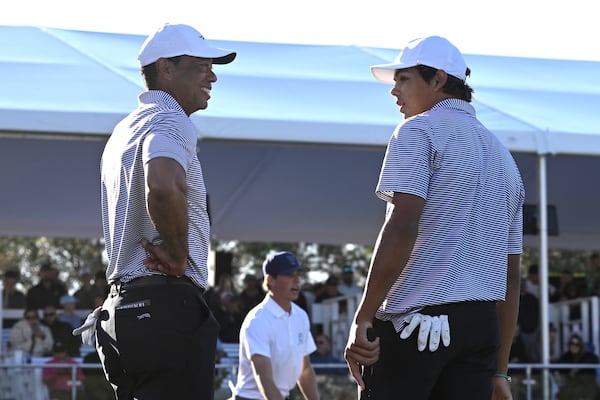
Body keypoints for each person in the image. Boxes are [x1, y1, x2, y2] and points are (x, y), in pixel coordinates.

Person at [344, 36, 524, 400]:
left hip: (418, 324)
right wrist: (500, 370)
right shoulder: (506, 159)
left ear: (439, 79)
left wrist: (364, 315)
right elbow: (511, 274)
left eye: (404, 79)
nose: (395, 91)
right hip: (480, 330)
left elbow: (402, 225)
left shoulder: (417, 130)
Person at [81, 22, 236, 400]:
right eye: (202, 66)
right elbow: (163, 184)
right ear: (166, 69)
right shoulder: (170, 118)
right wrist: (179, 254)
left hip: (121, 312)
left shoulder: (124, 129)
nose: (212, 76)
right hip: (165, 307)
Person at [231, 251, 319, 400]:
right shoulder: (257, 320)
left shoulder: (300, 316)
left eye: (298, 274)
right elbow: (264, 378)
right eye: (290, 275)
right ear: (270, 280)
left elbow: (305, 371)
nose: (297, 280)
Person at [553, 333, 600, 400]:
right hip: (570, 390)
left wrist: (577, 369)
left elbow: (595, 360)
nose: (574, 346)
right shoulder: (565, 357)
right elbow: (556, 370)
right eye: (572, 343)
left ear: (581, 346)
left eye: (577, 344)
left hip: (587, 390)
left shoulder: (589, 356)